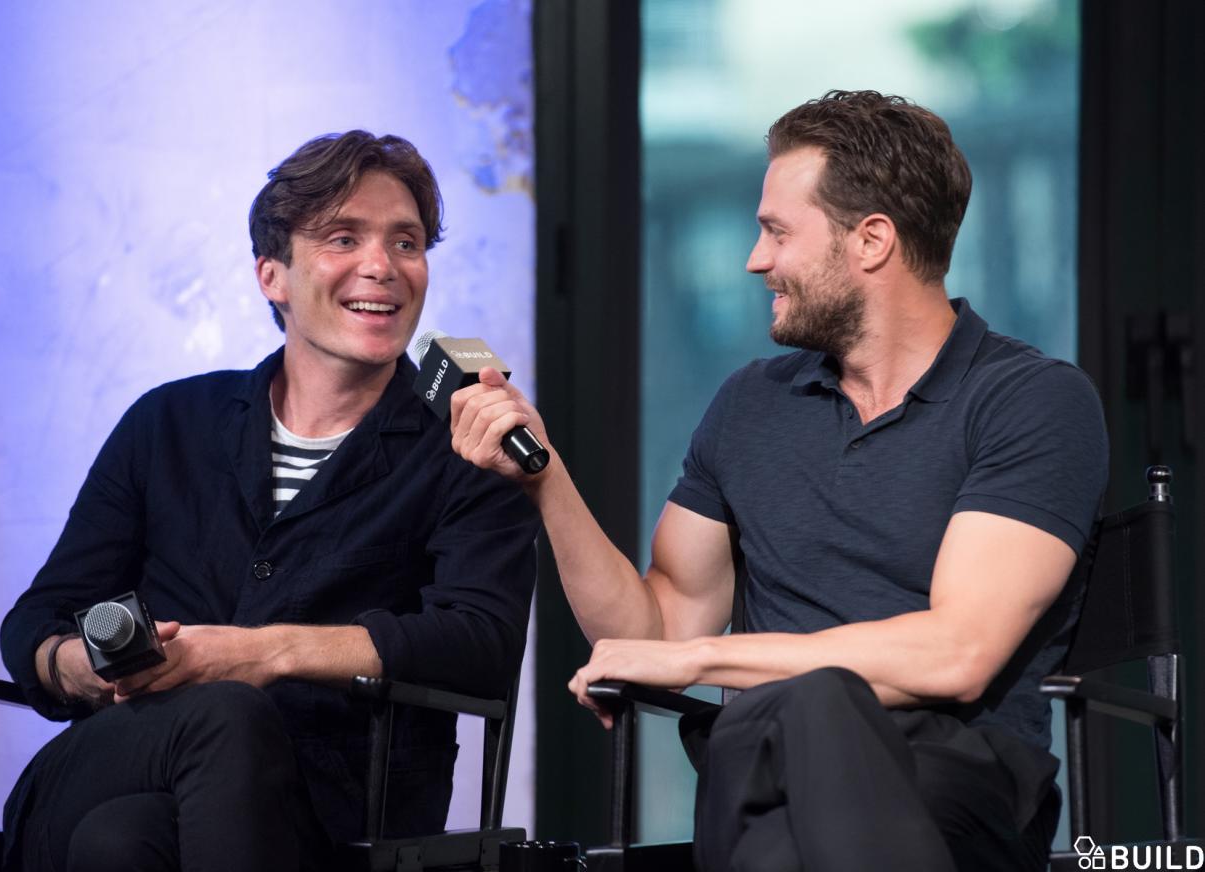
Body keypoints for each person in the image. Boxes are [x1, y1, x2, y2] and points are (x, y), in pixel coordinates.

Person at [450, 90, 1107, 871]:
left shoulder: (1030, 401)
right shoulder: (751, 405)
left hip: (950, 786)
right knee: (786, 741)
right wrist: (546, 480)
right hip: (759, 766)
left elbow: (955, 653)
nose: (755, 259)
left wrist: (703, 665)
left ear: (871, 241)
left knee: (815, 716)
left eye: (775, 231)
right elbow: (652, 631)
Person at [0, 130, 539, 872]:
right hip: (108, 764)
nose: (381, 267)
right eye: (344, 237)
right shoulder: (170, 422)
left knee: (122, 844)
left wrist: (264, 653)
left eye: (406, 243)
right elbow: (38, 619)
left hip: (330, 811)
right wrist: (78, 666)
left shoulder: (465, 439)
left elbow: (481, 642)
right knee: (211, 724)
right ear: (272, 276)